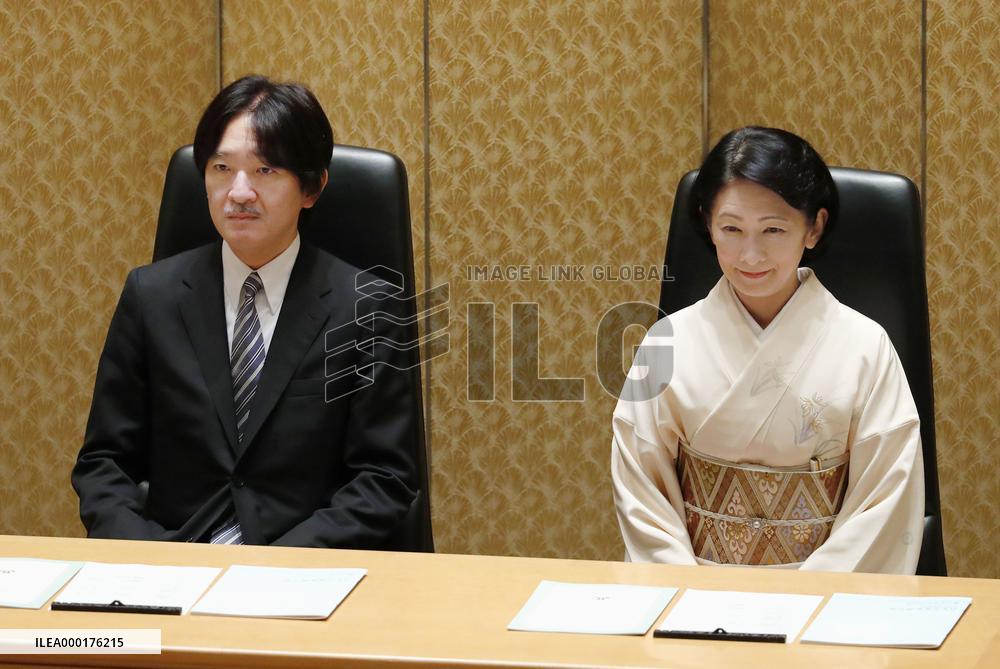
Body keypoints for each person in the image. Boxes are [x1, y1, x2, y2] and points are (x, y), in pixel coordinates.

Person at [72, 75, 422, 548]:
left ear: (312, 188)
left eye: (265, 171)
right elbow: (104, 463)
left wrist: (272, 570)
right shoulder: (150, 296)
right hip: (172, 567)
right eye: (221, 168)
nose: (239, 192)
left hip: (303, 575)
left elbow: (384, 479)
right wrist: (145, 557)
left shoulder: (367, 307)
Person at [611, 126, 924, 573]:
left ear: (813, 227)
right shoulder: (666, 344)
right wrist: (687, 599)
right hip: (693, 596)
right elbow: (642, 494)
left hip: (822, 603)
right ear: (707, 225)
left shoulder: (865, 347)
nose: (751, 255)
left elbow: (883, 502)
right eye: (732, 228)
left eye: (774, 229)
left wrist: (804, 604)